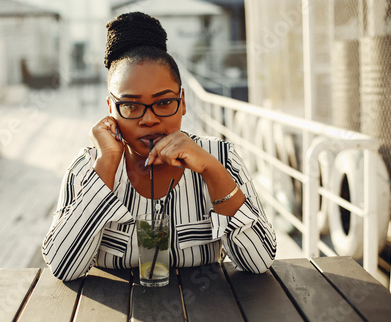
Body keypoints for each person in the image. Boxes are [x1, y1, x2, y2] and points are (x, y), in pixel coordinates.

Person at [42, 12, 276, 281]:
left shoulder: (222, 158)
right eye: (130, 105)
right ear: (110, 109)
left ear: (183, 102)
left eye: (164, 102)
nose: (149, 119)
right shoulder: (86, 168)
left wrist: (212, 171)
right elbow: (63, 267)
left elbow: (259, 261)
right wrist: (107, 162)